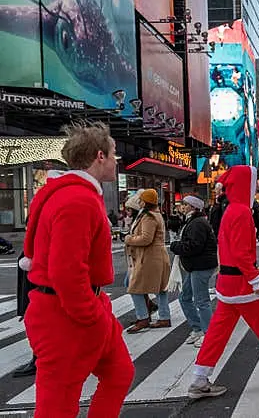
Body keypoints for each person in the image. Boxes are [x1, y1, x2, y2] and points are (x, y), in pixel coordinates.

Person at [20, 121, 134, 417]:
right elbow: (66, 272)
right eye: (113, 154)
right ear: (99, 156)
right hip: (65, 316)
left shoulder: (72, 194)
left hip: (79, 308)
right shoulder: (78, 200)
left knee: (120, 373)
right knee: (57, 406)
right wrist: (93, 317)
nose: (115, 162)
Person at [189, 166, 259, 399]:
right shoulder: (241, 212)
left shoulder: (231, 209)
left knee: (218, 332)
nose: (258, 185)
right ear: (244, 184)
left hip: (228, 284)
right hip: (243, 285)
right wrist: (255, 279)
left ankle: (199, 378)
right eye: (254, 181)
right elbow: (242, 253)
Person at [171, 195, 219, 348]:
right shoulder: (193, 221)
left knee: (201, 300)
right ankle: (198, 328)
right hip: (195, 266)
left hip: (201, 266)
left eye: (185, 204)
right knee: (184, 297)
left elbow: (193, 246)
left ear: (193, 207)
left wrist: (175, 246)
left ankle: (209, 334)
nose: (182, 207)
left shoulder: (197, 223)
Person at [125, 189, 172, 333]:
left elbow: (146, 238)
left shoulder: (149, 217)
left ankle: (143, 317)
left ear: (145, 201)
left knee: (135, 288)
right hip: (155, 256)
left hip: (150, 257)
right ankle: (163, 316)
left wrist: (129, 239)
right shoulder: (155, 214)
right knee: (160, 288)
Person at [13, 217, 36, 378]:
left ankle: (37, 360)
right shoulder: (32, 243)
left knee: (39, 332)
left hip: (37, 296)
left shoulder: (38, 243)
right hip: (31, 296)